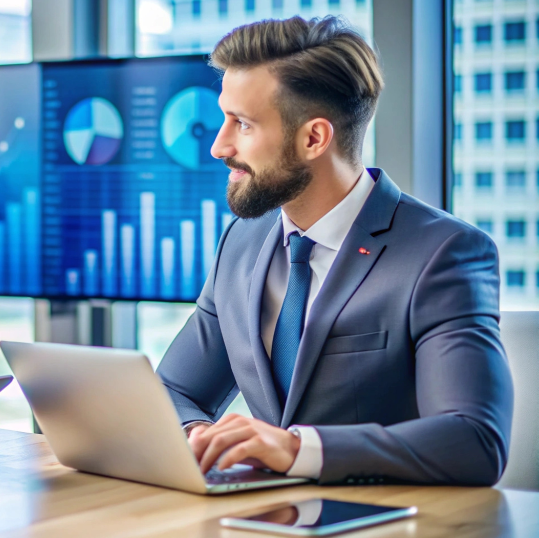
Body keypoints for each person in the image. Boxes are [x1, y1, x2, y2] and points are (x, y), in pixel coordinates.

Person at [157, 16, 513, 485]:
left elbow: (474, 442)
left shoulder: (444, 253)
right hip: (266, 517)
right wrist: (199, 434)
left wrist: (297, 449)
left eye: (242, 124)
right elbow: (173, 389)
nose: (219, 146)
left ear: (313, 138)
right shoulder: (241, 243)